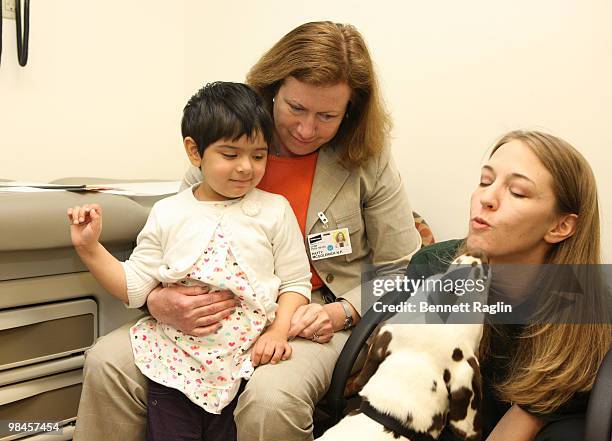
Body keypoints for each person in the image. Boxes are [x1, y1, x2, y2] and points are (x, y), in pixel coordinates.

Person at [73, 21, 421, 441]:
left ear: (351, 111)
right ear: (272, 89)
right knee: (107, 361)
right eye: (296, 108)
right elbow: (170, 242)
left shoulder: (368, 160)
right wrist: (158, 300)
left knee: (270, 399)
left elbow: (402, 269)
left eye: (327, 115)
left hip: (308, 316)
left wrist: (339, 311)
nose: (307, 129)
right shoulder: (230, 137)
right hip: (217, 309)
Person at [67, 82, 312, 441]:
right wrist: (90, 249)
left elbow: (295, 282)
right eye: (231, 155)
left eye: (258, 156)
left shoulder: (274, 210)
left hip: (245, 362)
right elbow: (135, 286)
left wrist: (277, 332)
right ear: (195, 151)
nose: (246, 168)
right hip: (175, 365)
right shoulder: (169, 212)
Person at [405, 130, 610, 441]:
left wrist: (526, 416)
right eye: (485, 181)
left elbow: (560, 394)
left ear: (560, 226)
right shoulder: (432, 268)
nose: (486, 198)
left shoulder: (592, 308)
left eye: (517, 192)